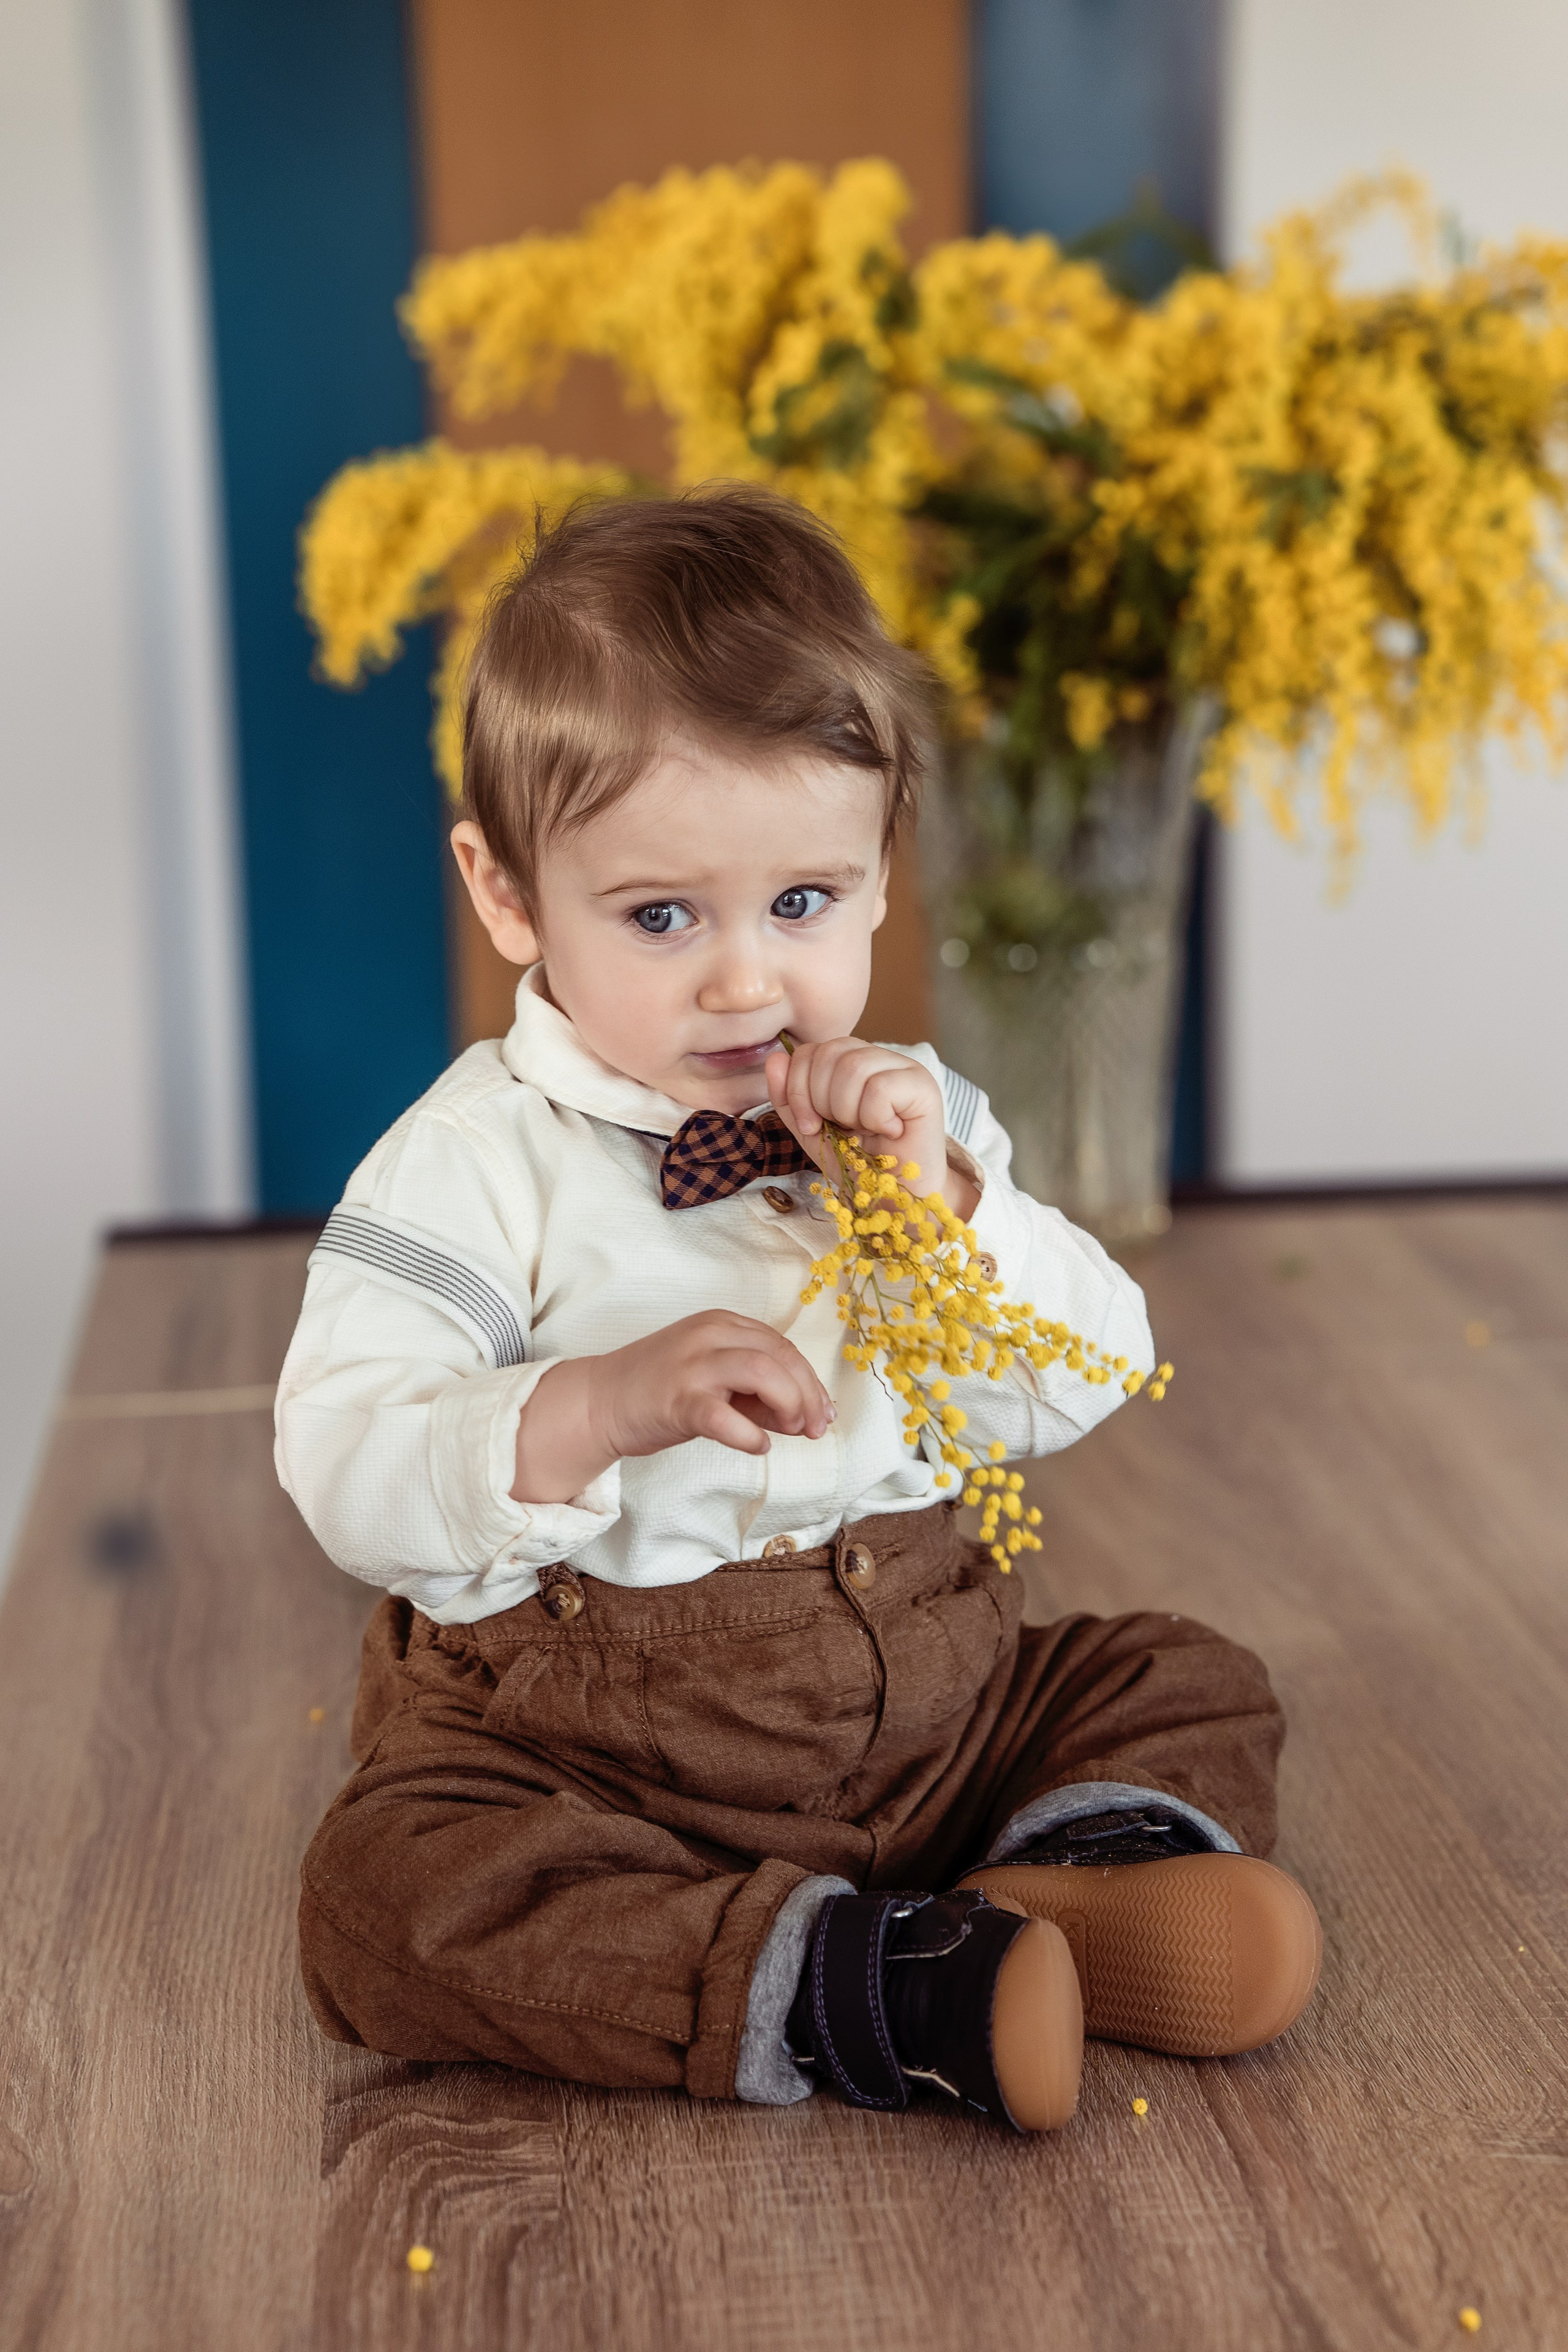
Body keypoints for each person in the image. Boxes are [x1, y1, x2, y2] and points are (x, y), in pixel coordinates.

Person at [276, 486, 1320, 2132]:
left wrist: (944, 1214)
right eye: (663, 917)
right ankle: (865, 1984)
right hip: (593, 1754)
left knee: (1183, 1673)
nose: (747, 981)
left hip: (934, 1703)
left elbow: (1084, 1380)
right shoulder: (468, 1165)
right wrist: (598, 1406)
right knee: (385, 1890)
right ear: (508, 894)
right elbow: (347, 1464)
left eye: (804, 903)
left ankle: (1058, 1890)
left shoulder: (917, 1121)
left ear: (884, 871)